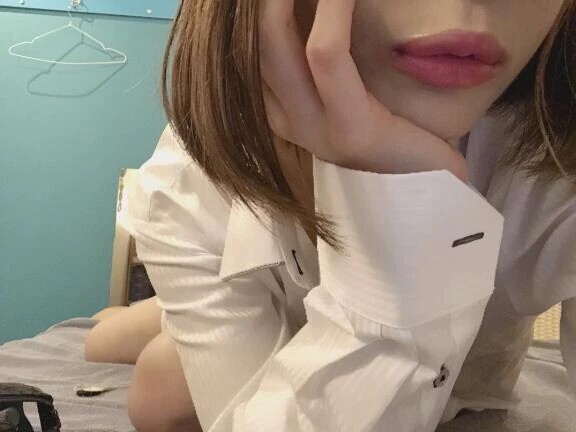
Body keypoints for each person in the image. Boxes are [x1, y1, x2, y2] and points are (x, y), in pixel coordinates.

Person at [86, 0, 576, 431]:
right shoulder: (187, 186)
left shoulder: (558, 165)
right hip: (262, 283)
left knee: (163, 391)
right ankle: (155, 316)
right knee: (154, 390)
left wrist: (410, 196)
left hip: (462, 390)